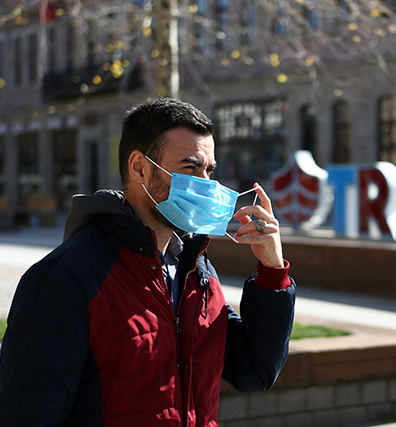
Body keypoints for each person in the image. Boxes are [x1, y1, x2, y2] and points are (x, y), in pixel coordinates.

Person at [0, 97, 296, 426]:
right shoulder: (65, 278)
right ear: (139, 167)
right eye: (190, 168)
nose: (208, 185)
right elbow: (28, 412)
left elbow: (253, 371)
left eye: (208, 170)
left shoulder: (194, 268)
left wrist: (272, 272)